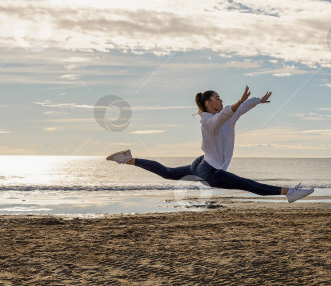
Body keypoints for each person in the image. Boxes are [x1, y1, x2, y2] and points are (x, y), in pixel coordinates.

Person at [106, 86, 314, 202]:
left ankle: (127, 158)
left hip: (201, 164)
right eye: (217, 98)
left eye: (220, 98)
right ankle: (289, 193)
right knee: (247, 184)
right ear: (209, 104)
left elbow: (237, 111)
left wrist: (256, 101)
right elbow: (226, 113)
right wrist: (238, 102)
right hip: (210, 171)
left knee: (168, 172)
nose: (221, 100)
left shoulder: (225, 118)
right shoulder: (209, 122)